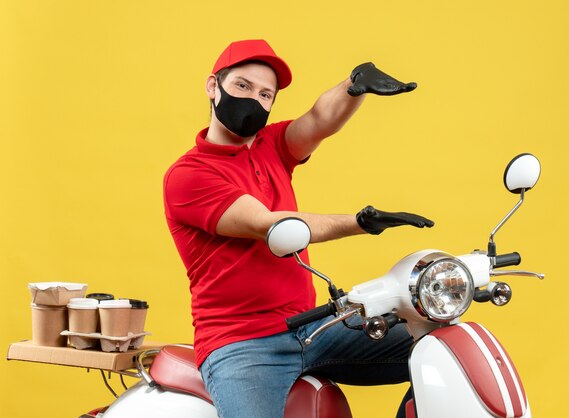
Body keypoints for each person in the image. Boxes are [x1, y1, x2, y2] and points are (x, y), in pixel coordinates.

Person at [163, 39, 434, 418]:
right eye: (242, 86)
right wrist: (359, 223)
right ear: (213, 87)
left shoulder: (271, 146)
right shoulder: (189, 175)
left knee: (439, 345)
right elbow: (270, 225)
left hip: (312, 327)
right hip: (243, 345)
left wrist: (354, 85)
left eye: (265, 94)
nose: (254, 101)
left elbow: (319, 120)